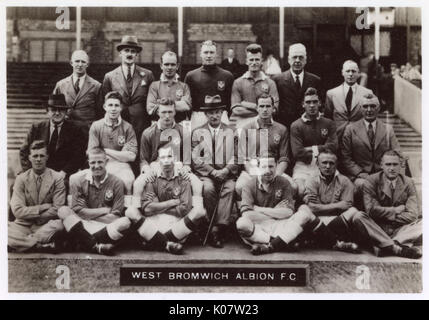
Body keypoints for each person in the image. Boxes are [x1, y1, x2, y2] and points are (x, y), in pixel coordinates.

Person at [236, 156, 353, 255]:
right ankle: (281, 243)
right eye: (264, 167)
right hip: (260, 227)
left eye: (271, 166)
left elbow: (288, 212)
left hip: (282, 225)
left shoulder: (283, 182)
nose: (268, 170)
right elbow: (247, 214)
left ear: (276, 166)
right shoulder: (249, 185)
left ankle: (271, 246)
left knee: (304, 214)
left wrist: (259, 209)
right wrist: (276, 212)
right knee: (242, 223)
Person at [125, 146, 207, 255]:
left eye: (169, 156)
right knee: (130, 211)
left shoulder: (183, 179)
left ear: (175, 158)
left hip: (176, 226)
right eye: (162, 157)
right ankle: (167, 244)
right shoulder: (152, 178)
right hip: (153, 225)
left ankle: (154, 242)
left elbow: (184, 210)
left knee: (200, 211)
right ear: (158, 161)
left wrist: (158, 205)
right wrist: (171, 203)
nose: (166, 161)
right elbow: (147, 210)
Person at [58, 148, 131, 256]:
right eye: (93, 162)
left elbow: (115, 217)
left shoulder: (117, 182)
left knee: (125, 222)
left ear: (106, 162)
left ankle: (83, 241)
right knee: (63, 210)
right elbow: (78, 212)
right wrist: (104, 210)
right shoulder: (79, 181)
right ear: (88, 163)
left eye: (100, 162)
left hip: (103, 226)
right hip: (81, 225)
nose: (96, 166)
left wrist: (87, 214)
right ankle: (95, 246)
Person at [133, 98, 203, 209]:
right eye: (163, 112)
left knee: (197, 183)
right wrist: (147, 169)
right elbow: (143, 158)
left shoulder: (183, 131)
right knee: (138, 183)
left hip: (177, 166)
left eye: (170, 112)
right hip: (155, 166)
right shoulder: (148, 132)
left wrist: (186, 166)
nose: (167, 116)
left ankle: (197, 213)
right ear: (158, 113)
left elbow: (187, 157)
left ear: (175, 112)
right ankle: (135, 212)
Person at [192, 95, 239, 248]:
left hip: (227, 174)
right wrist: (212, 172)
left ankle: (220, 227)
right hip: (206, 174)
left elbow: (237, 155)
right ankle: (211, 226)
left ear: (222, 113)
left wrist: (225, 170)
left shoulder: (231, 131)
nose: (214, 116)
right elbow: (195, 158)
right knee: (208, 188)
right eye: (211, 113)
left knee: (230, 188)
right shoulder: (197, 132)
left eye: (217, 112)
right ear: (206, 115)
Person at [358, 150, 422, 259]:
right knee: (359, 216)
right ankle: (397, 247)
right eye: (388, 164)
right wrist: (395, 210)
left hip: (399, 229)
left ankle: (387, 245)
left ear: (401, 165)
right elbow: (371, 211)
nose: (391, 168)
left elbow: (412, 214)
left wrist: (385, 215)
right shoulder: (371, 181)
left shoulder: (408, 182)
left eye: (395, 164)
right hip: (377, 228)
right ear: (381, 165)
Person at [9, 141, 65, 253]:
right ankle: (38, 245)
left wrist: (34, 216)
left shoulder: (57, 178)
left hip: (45, 225)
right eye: (35, 156)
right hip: (22, 225)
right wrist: (42, 207)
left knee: (59, 226)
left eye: (41, 156)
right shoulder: (21, 179)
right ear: (29, 157)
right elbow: (17, 211)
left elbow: (58, 208)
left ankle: (21, 243)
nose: (38, 159)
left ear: (47, 157)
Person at [235, 93, 294, 199]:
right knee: (240, 187)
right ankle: (251, 209)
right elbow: (245, 159)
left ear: (273, 108)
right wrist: (257, 175)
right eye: (262, 106)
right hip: (253, 170)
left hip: (274, 170)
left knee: (294, 187)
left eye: (268, 106)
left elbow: (284, 158)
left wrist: (276, 176)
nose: (265, 109)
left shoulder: (281, 129)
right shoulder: (246, 128)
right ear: (257, 108)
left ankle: (279, 210)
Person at [341, 93, 400, 196]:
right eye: (365, 106)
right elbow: (346, 157)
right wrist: (360, 173)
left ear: (378, 108)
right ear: (360, 108)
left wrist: (386, 171)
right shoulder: (350, 129)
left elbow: (396, 153)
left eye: (373, 106)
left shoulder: (387, 129)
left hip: (384, 173)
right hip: (360, 175)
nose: (369, 110)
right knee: (364, 185)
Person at [19, 94, 86, 184]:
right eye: (53, 110)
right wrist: (31, 172)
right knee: (17, 185)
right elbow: (24, 151)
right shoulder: (36, 128)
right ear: (47, 111)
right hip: (37, 171)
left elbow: (79, 156)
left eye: (61, 110)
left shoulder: (75, 130)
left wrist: (64, 172)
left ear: (66, 112)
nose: (57, 113)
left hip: (62, 174)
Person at [303, 150, 361, 253]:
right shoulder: (311, 180)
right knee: (303, 210)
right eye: (324, 162)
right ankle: (337, 243)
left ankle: (319, 238)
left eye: (331, 163)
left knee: (353, 211)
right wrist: (338, 205)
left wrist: (321, 207)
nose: (328, 166)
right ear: (317, 164)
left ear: (336, 164)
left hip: (336, 221)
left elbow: (347, 206)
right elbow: (312, 208)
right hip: (317, 220)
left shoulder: (344, 181)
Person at [102, 35, 154, 140]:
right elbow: (105, 103)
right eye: (126, 50)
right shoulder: (110, 76)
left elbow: (152, 101)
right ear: (120, 53)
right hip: (118, 122)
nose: (129, 54)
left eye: (133, 51)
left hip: (141, 124)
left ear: (136, 54)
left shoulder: (148, 75)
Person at [88, 91, 138, 196]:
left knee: (128, 181)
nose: (113, 109)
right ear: (104, 106)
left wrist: (105, 150)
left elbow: (131, 156)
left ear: (121, 107)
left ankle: (126, 209)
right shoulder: (96, 126)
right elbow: (92, 154)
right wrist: (121, 155)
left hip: (122, 166)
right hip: (101, 164)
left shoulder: (127, 127)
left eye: (116, 105)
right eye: (110, 105)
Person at [290, 87, 337, 197]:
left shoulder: (329, 123)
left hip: (326, 164)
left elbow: (333, 146)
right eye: (308, 102)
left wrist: (311, 148)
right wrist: (322, 148)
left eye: (315, 102)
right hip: (304, 166)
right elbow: (298, 153)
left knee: (332, 192)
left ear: (320, 103)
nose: (312, 105)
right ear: (303, 104)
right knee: (301, 190)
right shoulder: (296, 125)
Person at [184, 40, 234, 129]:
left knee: (222, 142)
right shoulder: (191, 76)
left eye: (211, 52)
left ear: (216, 54)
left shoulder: (227, 76)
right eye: (206, 52)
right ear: (200, 54)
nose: (209, 55)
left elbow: (230, 102)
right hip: (199, 116)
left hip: (220, 116)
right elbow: (187, 102)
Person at [272, 43, 322, 128]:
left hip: (308, 126)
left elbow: (320, 104)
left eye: (301, 57)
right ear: (289, 60)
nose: (297, 60)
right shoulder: (277, 80)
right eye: (294, 57)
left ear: (305, 60)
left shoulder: (315, 80)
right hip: (285, 125)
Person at [230, 44, 279, 129]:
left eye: (257, 59)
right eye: (251, 59)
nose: (254, 63)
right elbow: (236, 109)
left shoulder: (270, 83)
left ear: (261, 61)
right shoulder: (238, 82)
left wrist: (248, 105)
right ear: (246, 61)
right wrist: (261, 109)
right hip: (243, 124)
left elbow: (274, 109)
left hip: (264, 125)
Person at [53, 50, 103, 131]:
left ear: (87, 64)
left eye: (83, 62)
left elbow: (100, 112)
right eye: (77, 61)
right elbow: (53, 109)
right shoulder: (61, 85)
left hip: (87, 130)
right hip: (66, 130)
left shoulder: (96, 86)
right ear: (71, 63)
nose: (80, 64)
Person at [324, 60, 373, 140]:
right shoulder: (332, 93)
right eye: (348, 71)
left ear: (358, 73)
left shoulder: (367, 93)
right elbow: (327, 118)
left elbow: (370, 117)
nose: (350, 74)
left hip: (359, 138)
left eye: (353, 71)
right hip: (338, 137)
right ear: (342, 73)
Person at [147, 51, 192, 123]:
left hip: (179, 125)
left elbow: (186, 106)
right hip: (159, 126)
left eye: (173, 64)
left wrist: (161, 103)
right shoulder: (154, 86)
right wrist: (177, 104)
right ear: (161, 65)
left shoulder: (184, 86)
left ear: (177, 66)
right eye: (166, 64)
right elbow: (150, 109)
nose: (169, 67)